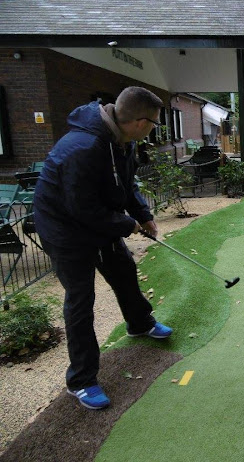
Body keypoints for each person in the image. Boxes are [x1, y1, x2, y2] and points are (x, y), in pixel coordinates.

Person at [34, 86, 173, 410]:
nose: (153, 129)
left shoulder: (123, 141)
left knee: (122, 269)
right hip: (64, 230)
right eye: (153, 123)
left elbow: (126, 184)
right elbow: (82, 209)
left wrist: (142, 214)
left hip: (94, 219)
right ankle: (81, 381)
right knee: (81, 300)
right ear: (140, 121)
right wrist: (127, 225)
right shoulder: (83, 148)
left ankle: (140, 323)